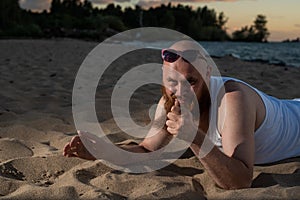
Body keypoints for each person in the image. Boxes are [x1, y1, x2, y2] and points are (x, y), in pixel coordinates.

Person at [64, 40, 300, 190]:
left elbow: (239, 181)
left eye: (192, 81)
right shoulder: (169, 100)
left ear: (208, 74)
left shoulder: (232, 99)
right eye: (172, 82)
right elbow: (147, 149)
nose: (182, 91)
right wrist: (105, 151)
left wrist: (193, 137)